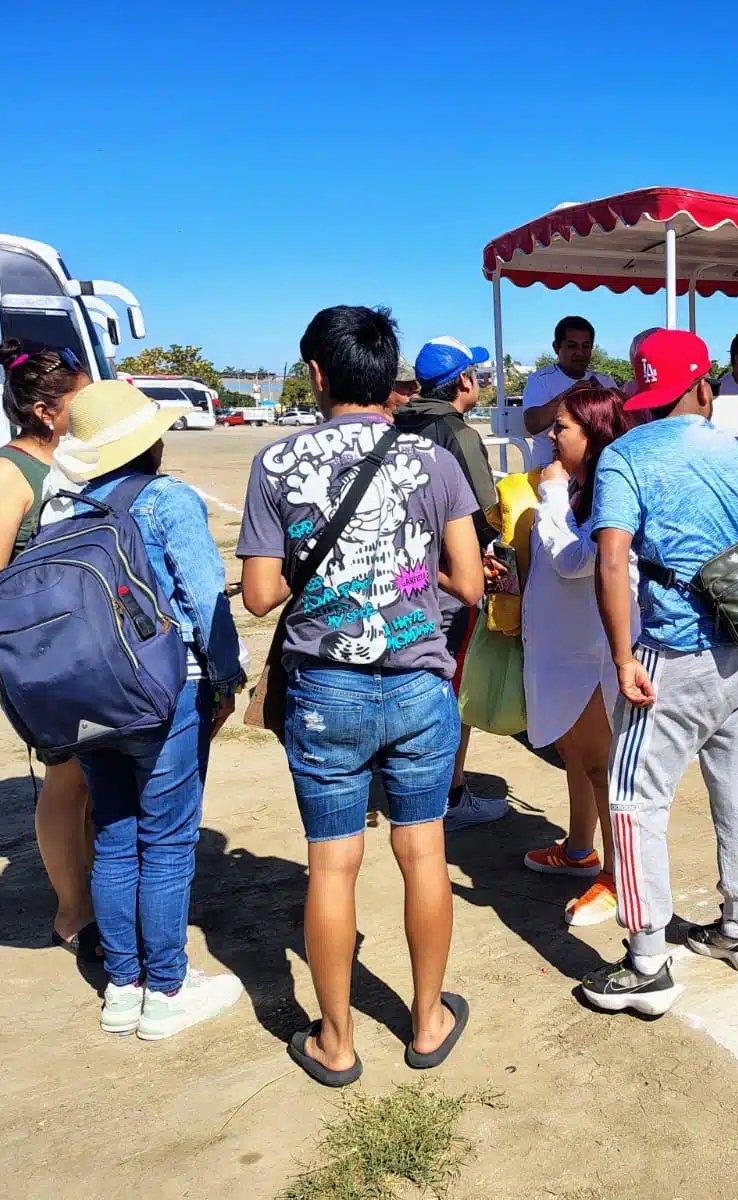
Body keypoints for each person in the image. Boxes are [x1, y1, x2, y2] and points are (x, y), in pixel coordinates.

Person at [238, 306, 484, 1086]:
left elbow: (258, 597)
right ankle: (427, 1018)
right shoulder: (432, 461)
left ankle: (337, 1043)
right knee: (423, 853)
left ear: (318, 373)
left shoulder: (274, 465)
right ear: (390, 375)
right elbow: (471, 582)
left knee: (332, 866)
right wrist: (410, 578)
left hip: (325, 692)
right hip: (417, 682)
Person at [583, 329, 738, 1018]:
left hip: (672, 654)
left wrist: (621, 656)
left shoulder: (626, 457)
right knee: (735, 785)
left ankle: (646, 963)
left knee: (634, 802)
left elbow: (612, 560)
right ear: (703, 385)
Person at [52, 379, 246, 1039]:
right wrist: (227, 679)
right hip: (164, 693)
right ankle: (166, 989)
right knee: (167, 843)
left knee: (114, 836)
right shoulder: (167, 500)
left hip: (86, 697)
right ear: (149, 441)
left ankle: (122, 986)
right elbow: (205, 597)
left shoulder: (63, 510)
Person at [0, 340, 97, 957]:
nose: (90, 409)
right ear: (45, 411)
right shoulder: (6, 473)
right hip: (48, 655)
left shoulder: (71, 459)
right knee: (66, 780)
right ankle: (74, 913)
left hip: (90, 649)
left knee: (95, 778)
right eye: (80, 400)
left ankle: (98, 891)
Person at [518, 384, 636, 927]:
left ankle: (616, 875)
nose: (550, 433)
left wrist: (550, 496)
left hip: (591, 652)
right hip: (563, 648)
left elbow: (573, 561)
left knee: (600, 765)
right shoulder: (581, 489)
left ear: (592, 436)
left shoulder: (605, 490)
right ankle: (578, 848)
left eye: (562, 426)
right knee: (576, 757)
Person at [400, 336, 509, 831]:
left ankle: (416, 782)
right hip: (448, 579)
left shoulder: (396, 422)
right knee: (450, 683)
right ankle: (449, 792)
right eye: (478, 375)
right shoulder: (458, 434)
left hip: (401, 577)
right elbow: (486, 515)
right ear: (464, 380)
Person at [521, 317, 615, 465]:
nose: (580, 353)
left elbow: (622, 425)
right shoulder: (539, 379)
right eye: (572, 346)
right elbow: (533, 424)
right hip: (549, 472)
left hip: (594, 473)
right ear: (556, 347)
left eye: (586, 346)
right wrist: (571, 394)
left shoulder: (605, 381)